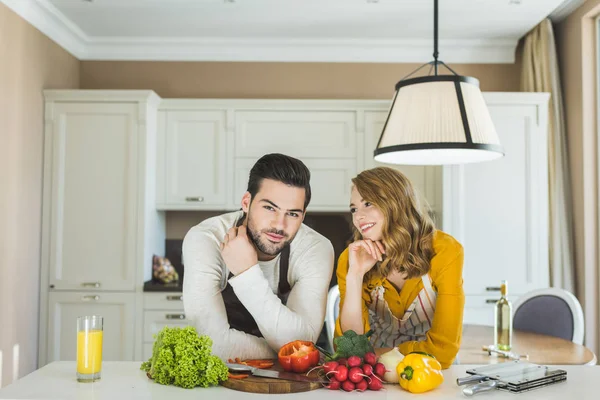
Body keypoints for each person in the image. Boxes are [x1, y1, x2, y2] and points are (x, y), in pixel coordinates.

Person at [182, 153, 334, 360]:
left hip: (285, 382)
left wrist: (247, 273)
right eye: (270, 208)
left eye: (293, 214)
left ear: (303, 215)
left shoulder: (316, 248)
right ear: (246, 202)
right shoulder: (205, 239)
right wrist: (286, 351)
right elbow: (212, 344)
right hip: (218, 379)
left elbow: (303, 342)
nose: (280, 225)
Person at [334, 167, 464, 368]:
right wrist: (356, 276)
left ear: (396, 202)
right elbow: (349, 349)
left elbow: (443, 351)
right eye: (354, 209)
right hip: (376, 374)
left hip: (431, 371)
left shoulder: (445, 251)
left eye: (368, 203)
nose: (358, 216)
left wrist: (377, 354)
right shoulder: (351, 259)